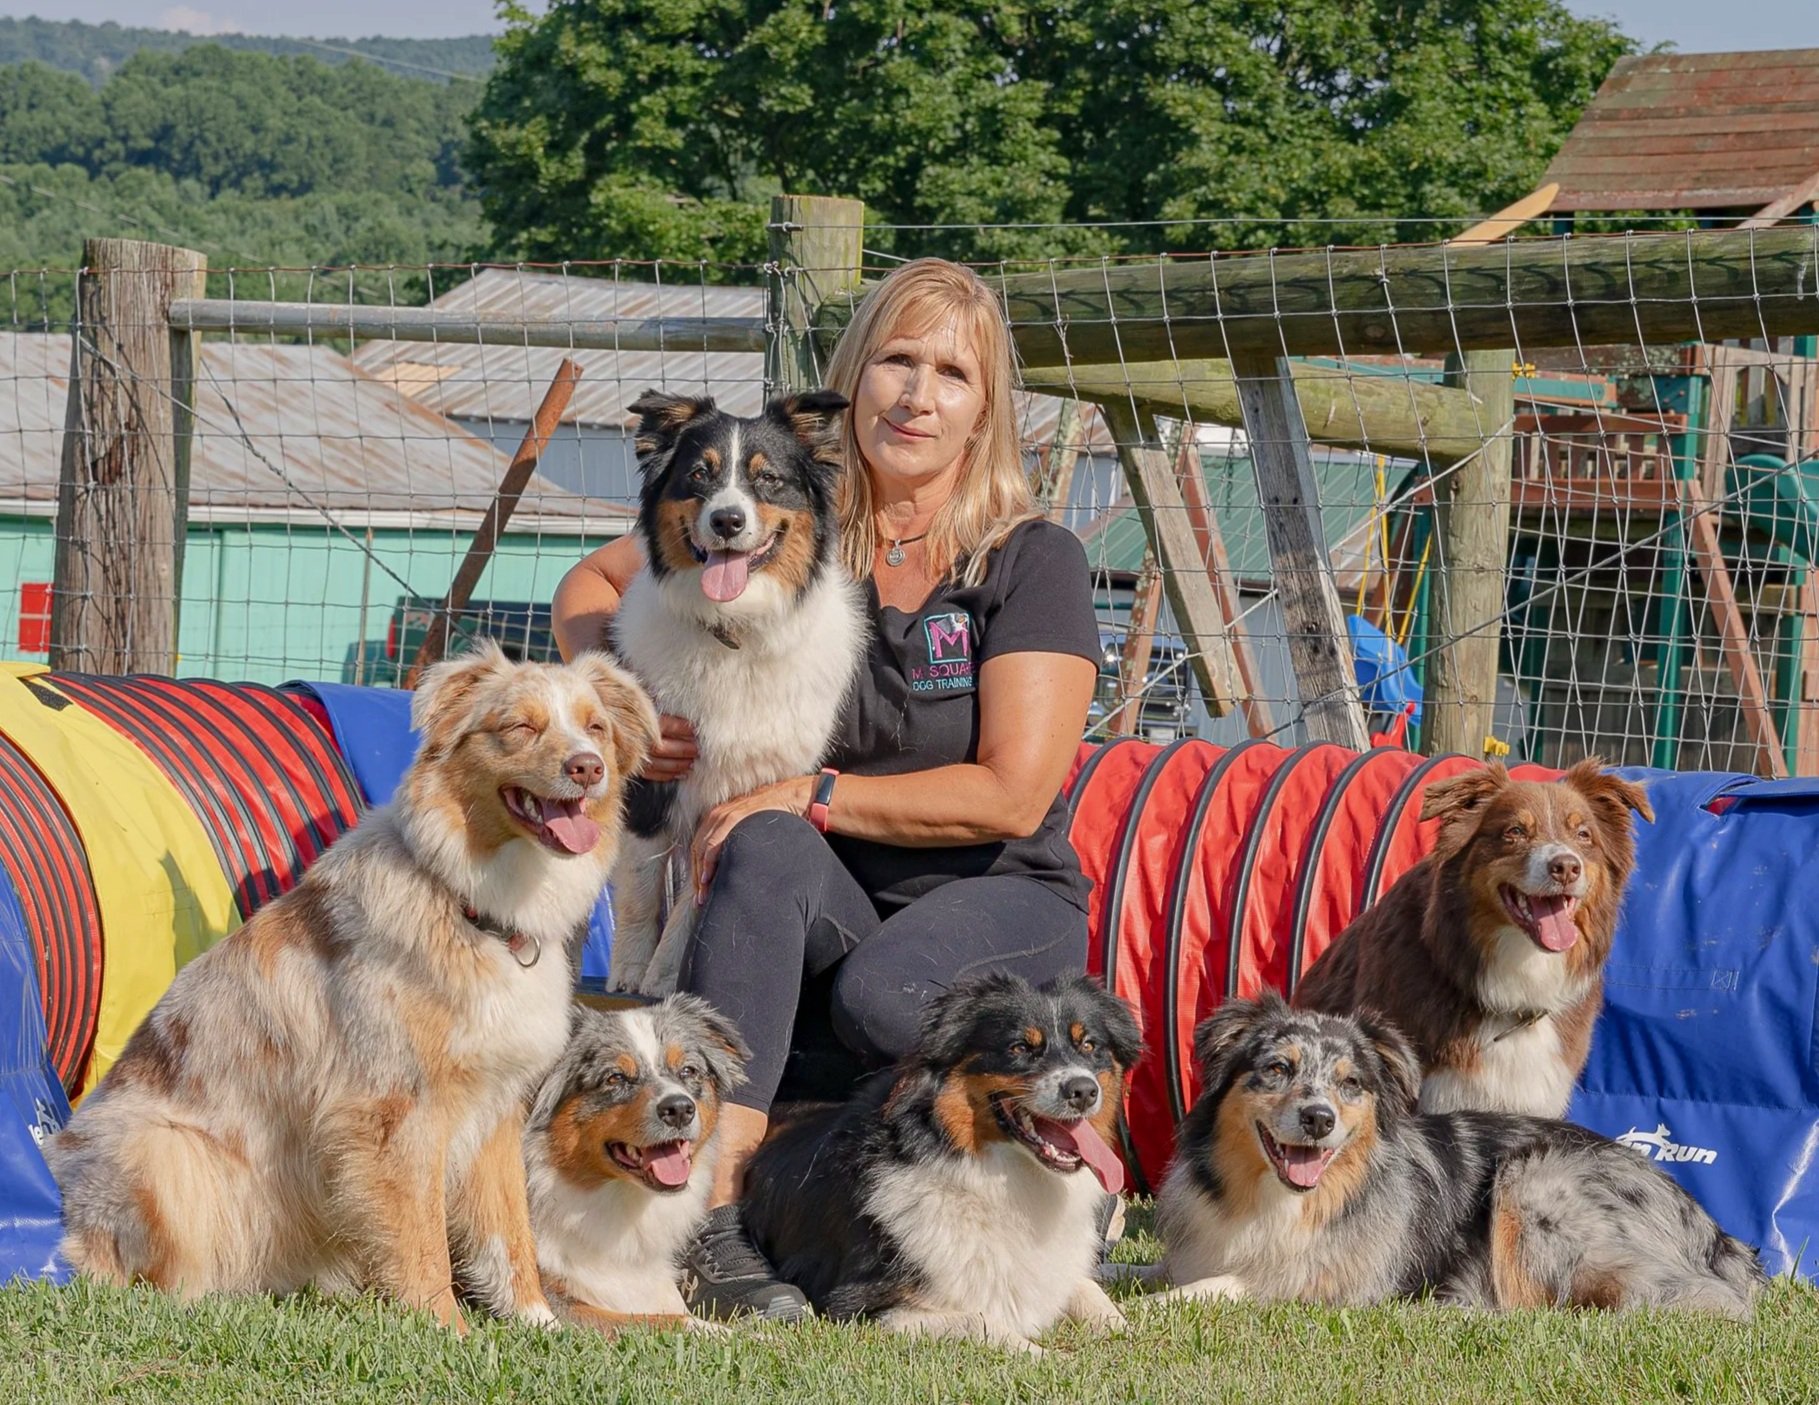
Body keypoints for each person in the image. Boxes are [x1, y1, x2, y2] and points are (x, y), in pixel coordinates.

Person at [552, 257, 1100, 1320]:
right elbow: (596, 580)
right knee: (757, 849)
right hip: (824, 896)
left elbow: (1011, 794)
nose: (917, 394)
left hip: (996, 889)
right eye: (897, 360)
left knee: (875, 994)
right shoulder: (784, 519)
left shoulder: (1028, 559)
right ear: (854, 376)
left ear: (985, 409)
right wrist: (615, 702)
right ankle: (712, 1219)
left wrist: (812, 795)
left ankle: (1049, 1162)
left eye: (952, 373)